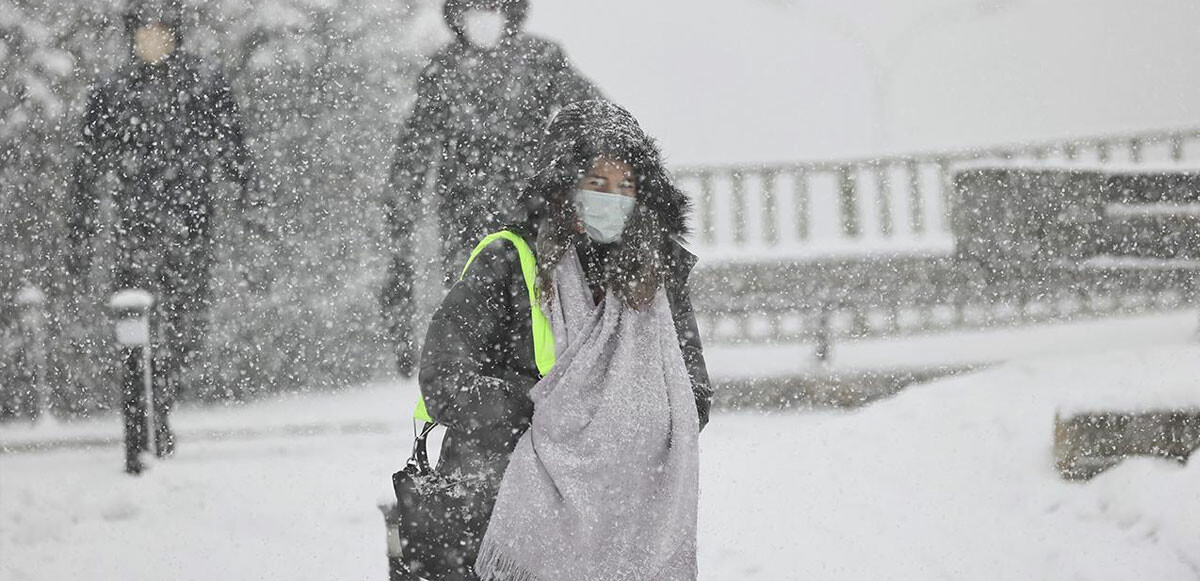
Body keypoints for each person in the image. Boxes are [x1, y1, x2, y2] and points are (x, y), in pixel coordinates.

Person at [415, 100, 711, 580]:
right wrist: (539, 421)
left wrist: (622, 430)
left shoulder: (653, 277)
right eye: (597, 183)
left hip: (623, 510)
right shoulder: (509, 262)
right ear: (562, 187)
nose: (612, 197)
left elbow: (692, 392)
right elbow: (444, 377)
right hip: (506, 495)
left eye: (626, 186)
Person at [66, 0, 265, 474]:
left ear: (175, 35)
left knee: (183, 331)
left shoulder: (204, 84)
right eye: (144, 32)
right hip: (135, 231)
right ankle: (141, 429)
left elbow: (235, 152)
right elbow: (87, 172)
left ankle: (163, 405)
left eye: (161, 31)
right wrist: (80, 236)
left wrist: (249, 208)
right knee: (135, 332)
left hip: (192, 228)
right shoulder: (112, 93)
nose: (153, 40)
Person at [381, 0, 601, 377]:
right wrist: (402, 210)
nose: (483, 19)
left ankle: (538, 393)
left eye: (492, 8)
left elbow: (593, 115)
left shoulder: (539, 59)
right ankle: (490, 398)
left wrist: (583, 171)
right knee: (478, 318)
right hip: (466, 223)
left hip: (533, 215)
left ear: (510, 13)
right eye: (473, 9)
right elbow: (412, 157)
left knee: (537, 313)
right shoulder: (443, 71)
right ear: (457, 16)